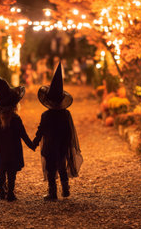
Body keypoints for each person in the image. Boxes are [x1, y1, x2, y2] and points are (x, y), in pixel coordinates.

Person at [32, 62, 83, 201]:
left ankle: (52, 192)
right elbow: (69, 131)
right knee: (62, 165)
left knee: (51, 168)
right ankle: (65, 189)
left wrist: (34, 143)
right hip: (62, 145)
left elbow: (40, 130)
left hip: (49, 146)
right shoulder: (66, 114)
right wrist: (67, 143)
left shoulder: (46, 115)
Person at [0, 71, 35, 202]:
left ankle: (2, 191)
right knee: (12, 172)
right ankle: (10, 192)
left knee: (2, 170)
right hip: (13, 149)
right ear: (15, 105)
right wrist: (32, 145)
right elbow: (23, 134)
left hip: (1, 149)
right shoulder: (15, 118)